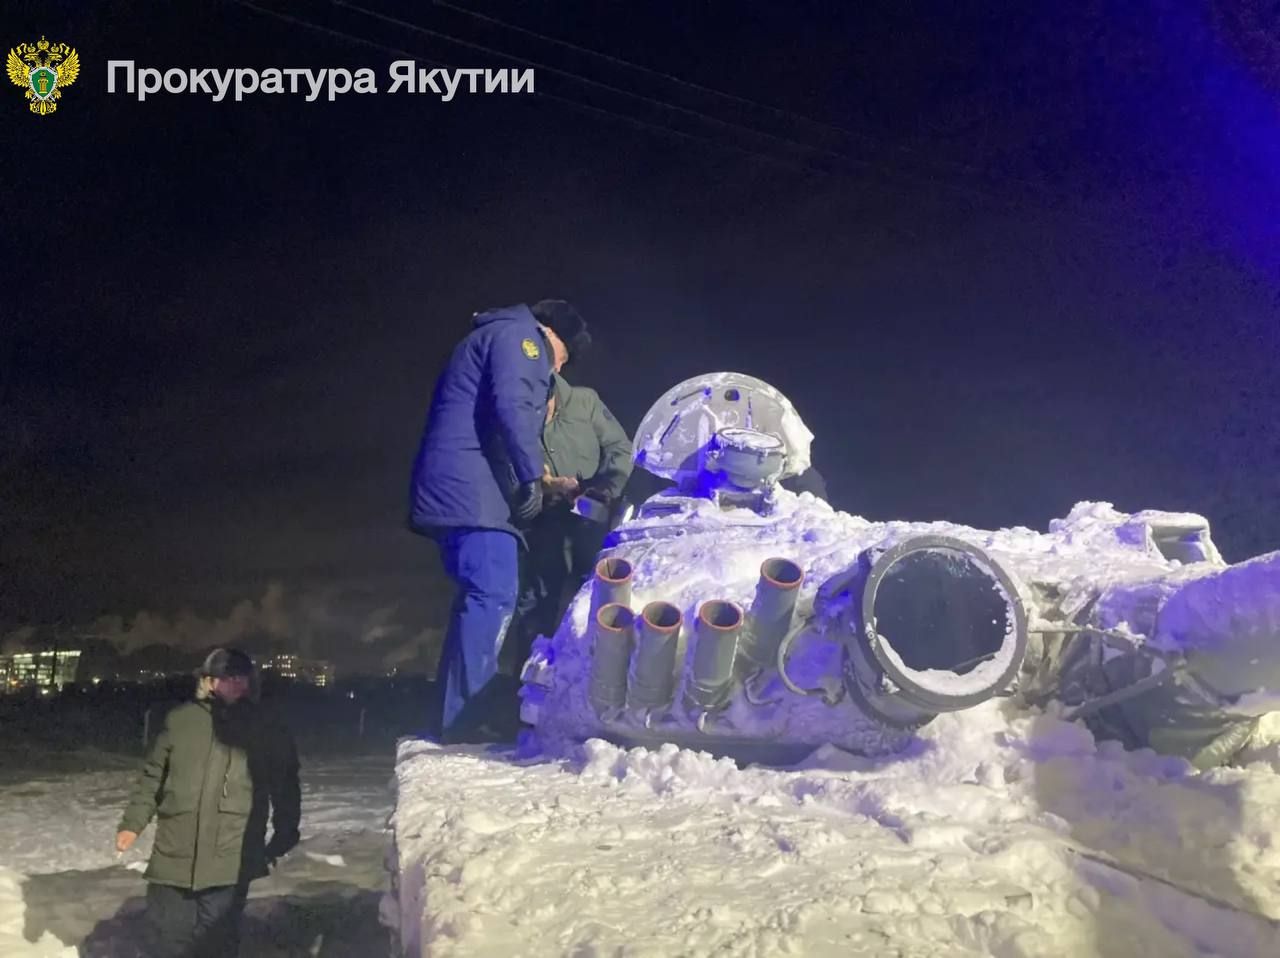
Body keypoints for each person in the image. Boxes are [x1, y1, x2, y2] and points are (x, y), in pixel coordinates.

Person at [408, 299, 590, 742]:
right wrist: (530, 476)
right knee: (493, 593)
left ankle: (455, 717)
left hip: (468, 489)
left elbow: (494, 420)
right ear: (553, 336)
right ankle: (464, 720)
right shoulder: (522, 338)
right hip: (471, 493)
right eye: (561, 360)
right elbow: (511, 404)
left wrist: (543, 484)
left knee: (483, 597)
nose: (556, 372)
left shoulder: (500, 335)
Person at [115, 648, 300, 958]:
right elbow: (152, 778)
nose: (237, 684)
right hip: (175, 851)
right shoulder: (180, 721)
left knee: (216, 942)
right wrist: (133, 823)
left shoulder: (267, 726)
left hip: (232, 854)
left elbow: (286, 784)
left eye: (242, 678)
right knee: (167, 934)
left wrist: (285, 831)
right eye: (229, 678)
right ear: (210, 681)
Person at [503, 372, 633, 675]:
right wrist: (547, 486)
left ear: (553, 397)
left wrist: (606, 487)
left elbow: (620, 448)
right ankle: (526, 682)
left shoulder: (584, 401)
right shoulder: (516, 419)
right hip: (545, 522)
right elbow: (510, 475)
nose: (541, 416)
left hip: (592, 520)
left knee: (597, 594)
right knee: (537, 601)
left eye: (545, 408)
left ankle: (594, 676)